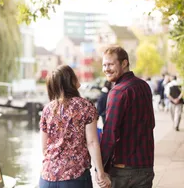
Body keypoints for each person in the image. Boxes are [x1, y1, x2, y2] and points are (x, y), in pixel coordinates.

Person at [39, 65, 110, 188]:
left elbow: (44, 148)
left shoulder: (47, 109)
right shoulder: (85, 106)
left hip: (47, 178)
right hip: (75, 178)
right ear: (70, 80)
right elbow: (92, 142)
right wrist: (101, 173)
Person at [100, 45, 155, 188]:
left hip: (123, 170)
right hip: (146, 165)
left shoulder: (118, 91)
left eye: (111, 64)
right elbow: (151, 123)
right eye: (104, 65)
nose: (106, 69)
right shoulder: (144, 86)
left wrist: (101, 169)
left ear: (124, 63)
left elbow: (110, 133)